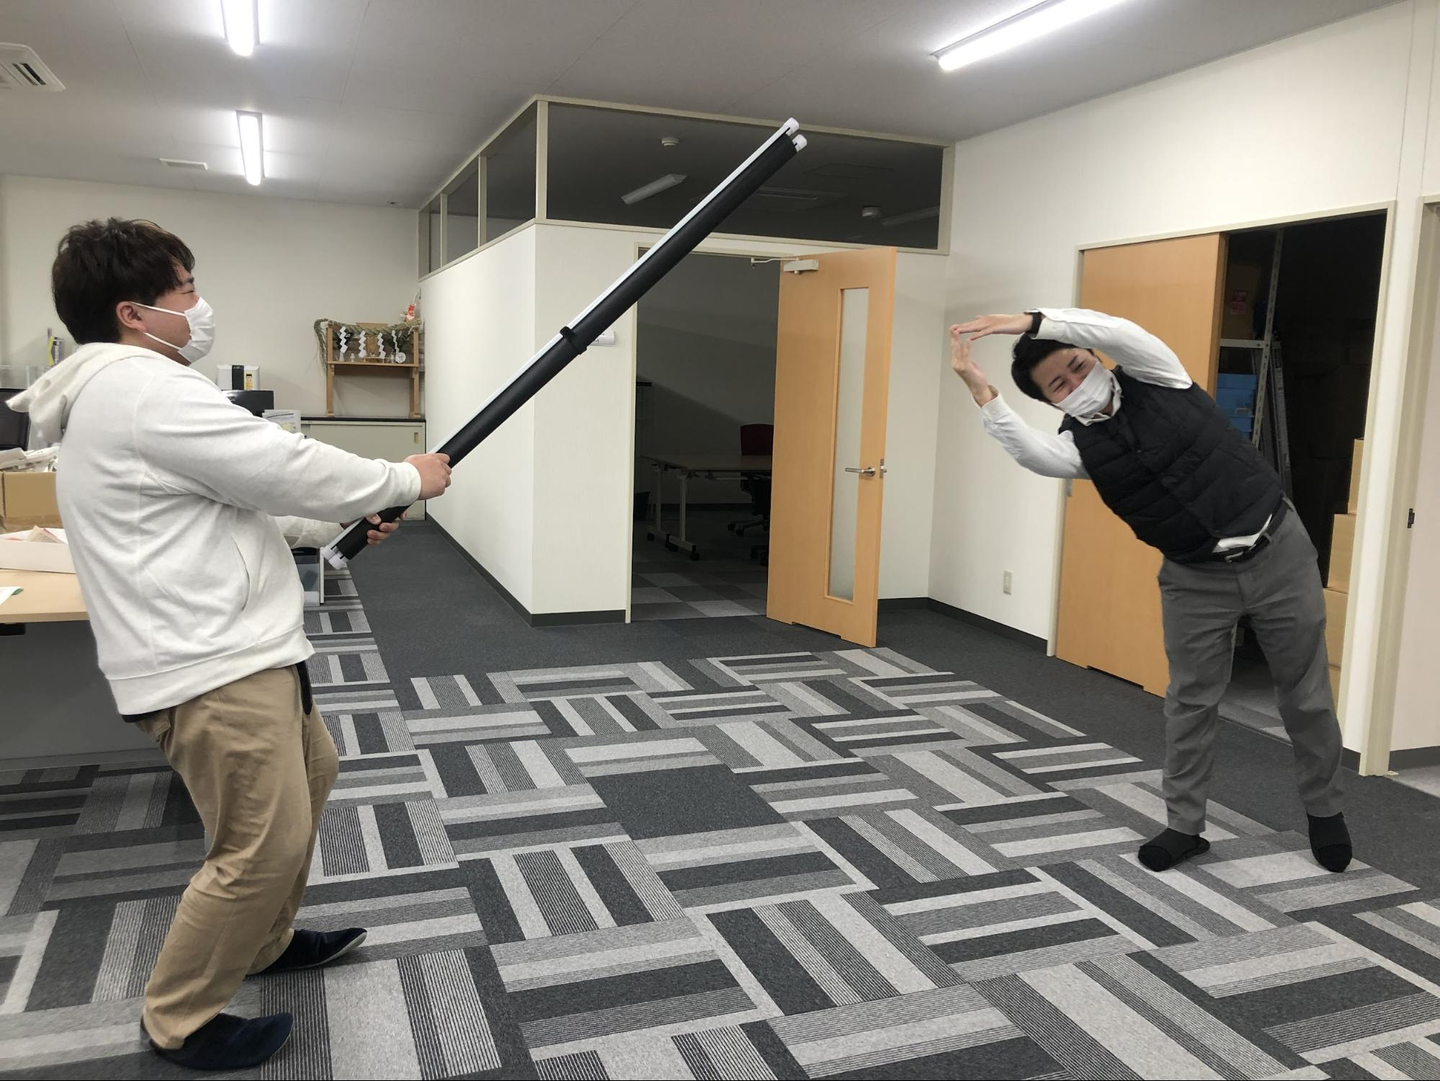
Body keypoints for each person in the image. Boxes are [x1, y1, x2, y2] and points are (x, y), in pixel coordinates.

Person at [7, 218, 453, 1071]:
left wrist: (333, 523)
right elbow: (280, 463)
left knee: (312, 779)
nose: (198, 303)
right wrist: (402, 477)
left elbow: (226, 503)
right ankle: (179, 1016)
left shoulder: (132, 390)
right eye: (184, 288)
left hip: (246, 647)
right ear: (133, 311)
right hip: (210, 664)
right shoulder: (142, 389)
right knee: (259, 844)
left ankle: (262, 942)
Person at [948, 308, 1350, 875]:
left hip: (1277, 549)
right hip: (1194, 577)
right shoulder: (1080, 448)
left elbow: (1122, 333)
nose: (1076, 382)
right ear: (1053, 403)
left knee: (1304, 694)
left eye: (1078, 366)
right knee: (1190, 700)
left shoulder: (1158, 376)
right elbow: (1031, 454)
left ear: (1095, 358)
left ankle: (1325, 812)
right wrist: (982, 391)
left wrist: (1033, 322)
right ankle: (1184, 826)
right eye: (1059, 384)